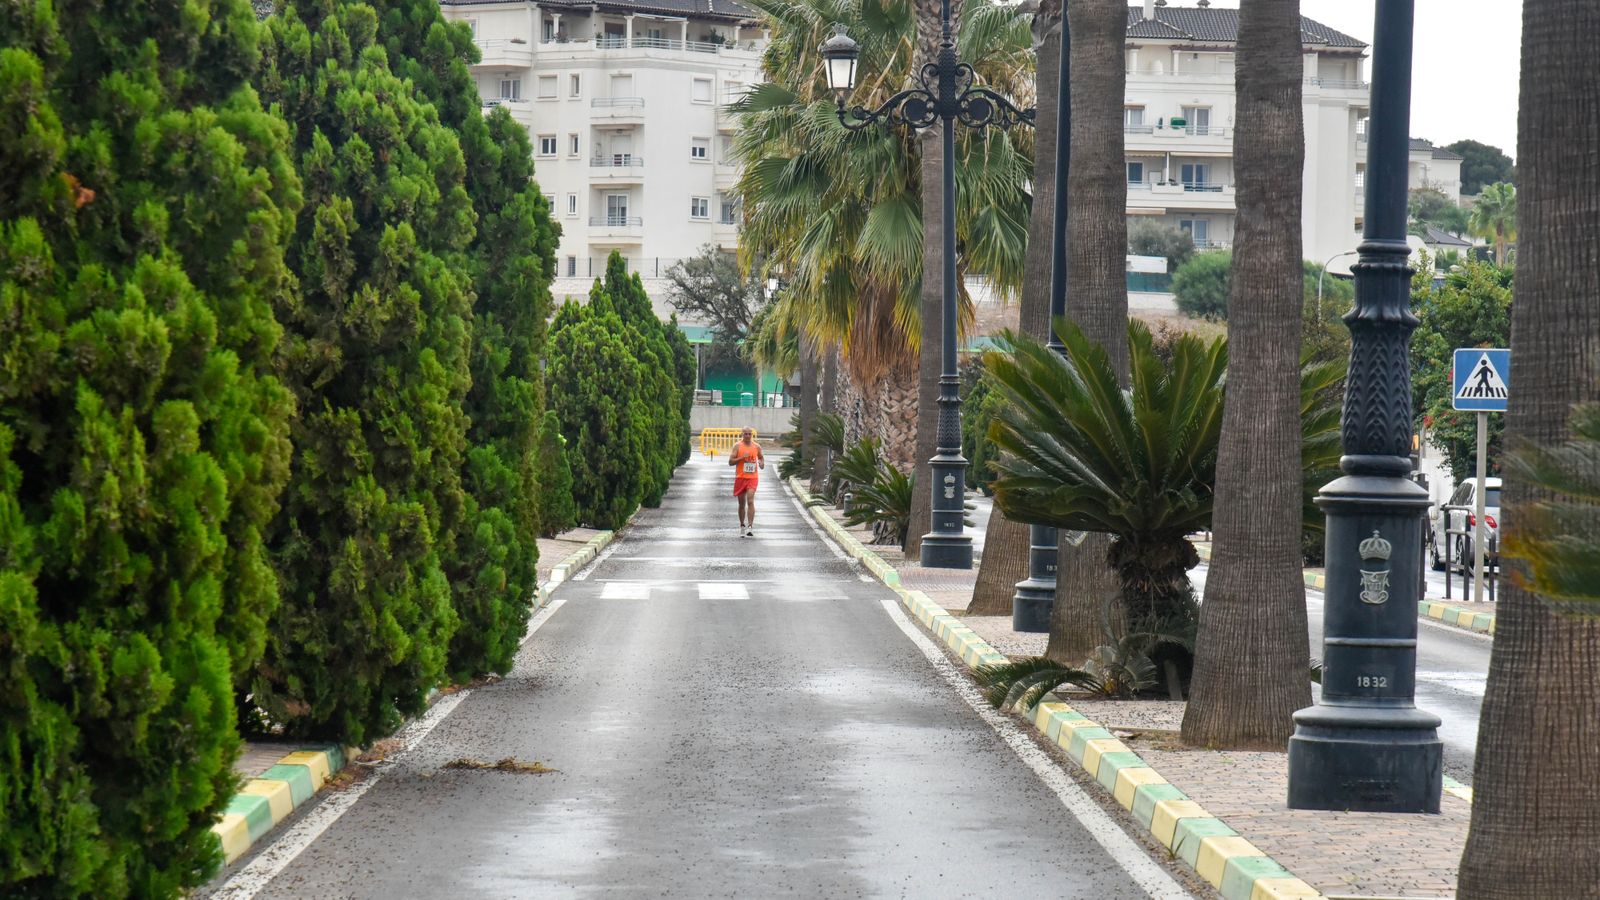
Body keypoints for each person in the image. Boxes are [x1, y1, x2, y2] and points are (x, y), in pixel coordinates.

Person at [727, 427, 764, 536]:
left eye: (749, 434)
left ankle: (750, 527)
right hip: (740, 477)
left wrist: (761, 463)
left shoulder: (757, 446)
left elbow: (761, 457)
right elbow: (730, 462)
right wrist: (742, 458)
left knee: (750, 500)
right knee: (741, 503)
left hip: (753, 478)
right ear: (742, 434)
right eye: (745, 434)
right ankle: (742, 525)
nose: (748, 436)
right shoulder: (737, 446)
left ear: (752, 435)